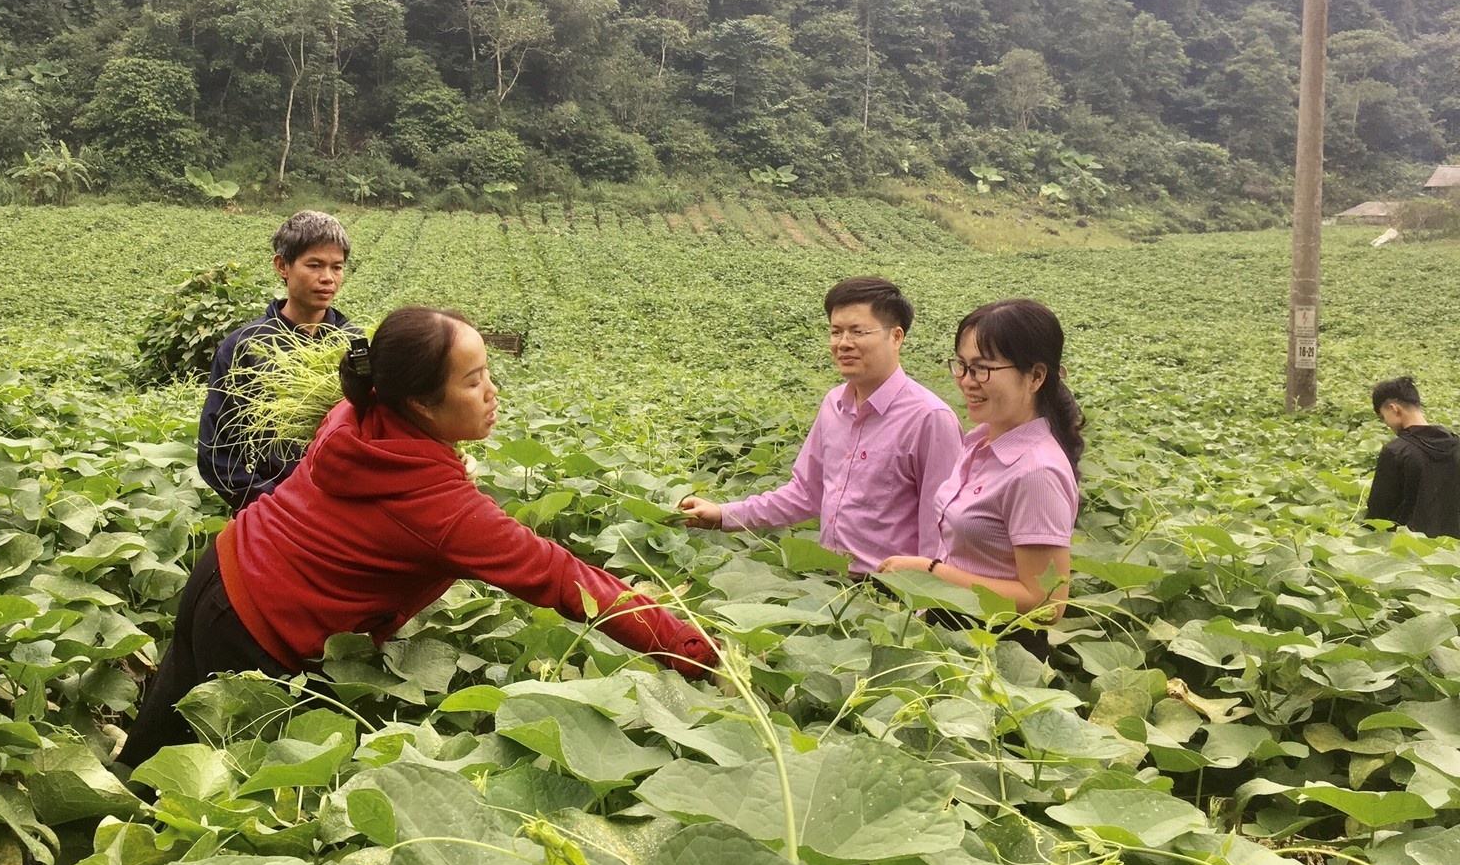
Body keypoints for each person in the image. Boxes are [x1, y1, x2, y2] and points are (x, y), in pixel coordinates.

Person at [121, 306, 718, 765]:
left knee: (155, 749)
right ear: (421, 404)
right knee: (220, 793)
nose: (492, 394)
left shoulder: (353, 415)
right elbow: (565, 580)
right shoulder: (446, 511)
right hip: (258, 632)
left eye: (489, 374)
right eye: (473, 381)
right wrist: (698, 651)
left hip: (222, 572)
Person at [678, 276, 962, 577]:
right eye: (836, 332)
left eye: (858, 331)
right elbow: (805, 493)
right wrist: (723, 515)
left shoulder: (930, 418)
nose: (843, 344)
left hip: (894, 595)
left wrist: (922, 612)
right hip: (828, 581)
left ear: (896, 337)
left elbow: (942, 532)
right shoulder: (833, 405)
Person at [879, 299, 1082, 620]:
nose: (966, 380)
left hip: (993, 651)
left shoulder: (1036, 471)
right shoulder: (978, 442)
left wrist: (932, 572)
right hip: (950, 630)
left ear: (1035, 376)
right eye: (962, 365)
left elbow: (1047, 604)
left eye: (983, 368)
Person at [197, 210, 356, 511]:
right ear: (282, 266)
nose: (328, 278)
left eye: (337, 267)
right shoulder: (244, 347)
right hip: (272, 512)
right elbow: (216, 451)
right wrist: (274, 503)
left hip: (345, 512)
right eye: (314, 265)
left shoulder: (354, 345)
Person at [1366, 376, 1460, 539]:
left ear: (1394, 408)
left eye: (1383, 416)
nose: (1386, 423)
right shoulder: (1456, 444)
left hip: (1409, 553)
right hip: (1452, 553)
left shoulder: (1396, 451)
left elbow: (1377, 514)